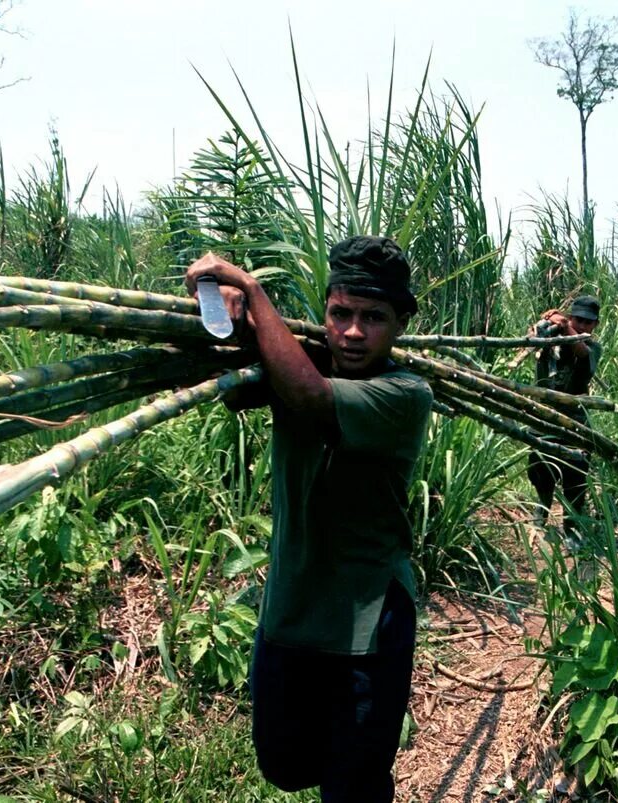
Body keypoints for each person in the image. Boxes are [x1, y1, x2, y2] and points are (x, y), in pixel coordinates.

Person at [185, 236, 432, 802]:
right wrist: (227, 311)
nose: (351, 331)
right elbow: (232, 385)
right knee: (284, 764)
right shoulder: (296, 360)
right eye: (340, 313)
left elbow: (312, 399)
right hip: (291, 612)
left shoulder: (406, 394)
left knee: (354, 788)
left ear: (400, 325)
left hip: (366, 626)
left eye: (373, 318)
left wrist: (251, 286)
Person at [525, 295, 601, 541]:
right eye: (577, 320)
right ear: (570, 317)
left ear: (595, 326)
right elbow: (531, 340)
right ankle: (542, 510)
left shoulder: (592, 348)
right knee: (540, 467)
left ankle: (572, 526)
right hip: (544, 416)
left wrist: (565, 326)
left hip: (575, 420)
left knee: (575, 474)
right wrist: (545, 323)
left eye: (587, 323)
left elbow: (580, 352)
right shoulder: (552, 338)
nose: (582, 325)